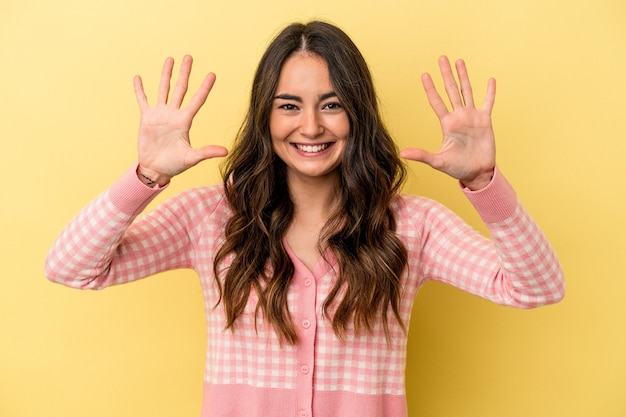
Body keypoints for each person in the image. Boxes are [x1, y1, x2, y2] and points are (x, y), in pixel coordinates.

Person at [45, 20, 565, 417]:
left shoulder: (411, 227)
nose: (311, 126)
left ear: (357, 113)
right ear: (265, 115)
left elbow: (536, 288)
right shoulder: (209, 219)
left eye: (332, 104)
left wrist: (483, 183)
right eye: (288, 106)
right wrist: (146, 175)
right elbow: (71, 267)